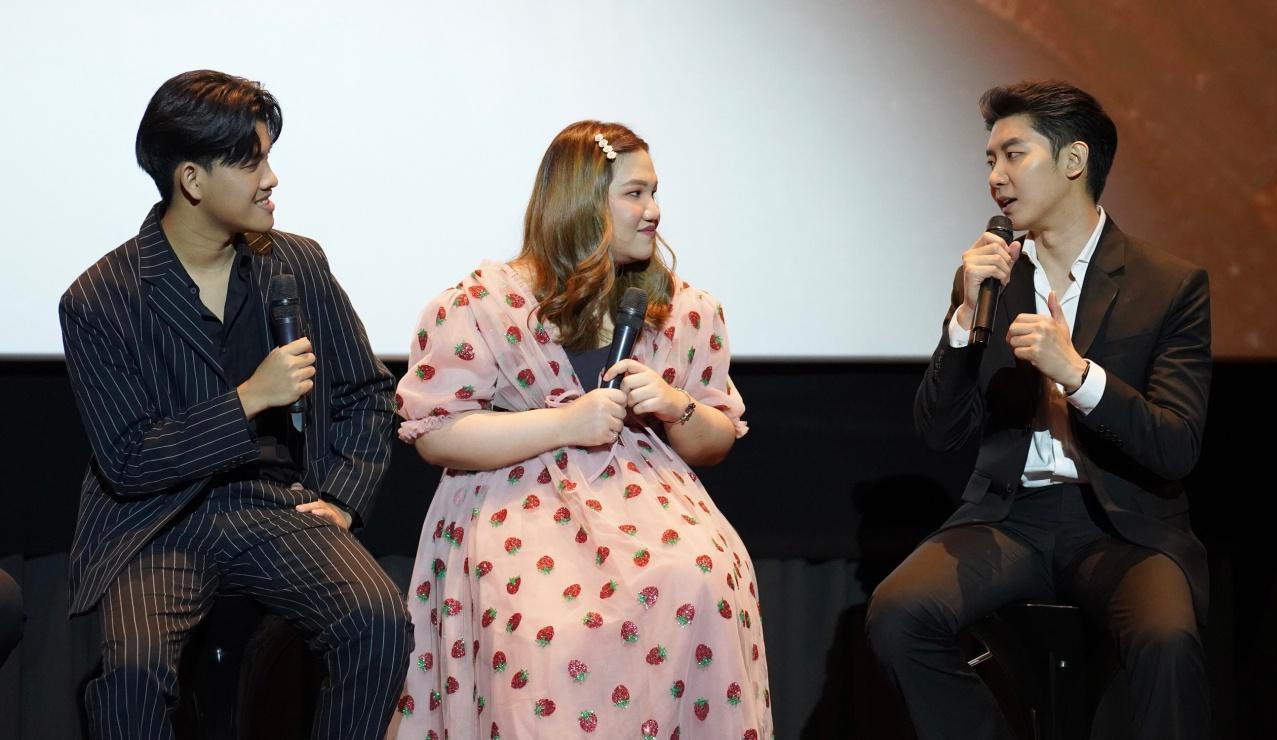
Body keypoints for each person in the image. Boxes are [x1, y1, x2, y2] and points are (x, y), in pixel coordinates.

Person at [388, 121, 772, 739]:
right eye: (635, 194)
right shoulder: (479, 306)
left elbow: (715, 443)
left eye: (654, 193)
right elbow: (437, 434)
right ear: (582, 202)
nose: (654, 211)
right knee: (546, 627)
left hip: (651, 509)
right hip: (518, 507)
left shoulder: (683, 310)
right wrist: (565, 422)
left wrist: (675, 406)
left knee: (704, 576)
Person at [58, 70, 411, 739]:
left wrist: (341, 498)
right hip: (156, 522)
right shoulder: (100, 297)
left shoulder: (297, 264)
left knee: (379, 620)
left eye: (268, 158)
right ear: (192, 179)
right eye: (251, 162)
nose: (271, 179)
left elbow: (367, 394)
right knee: (131, 675)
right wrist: (249, 397)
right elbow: (128, 459)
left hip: (273, 506)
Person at [866, 80, 1212, 739]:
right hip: (1009, 518)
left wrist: (1076, 374)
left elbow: (1176, 446)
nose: (995, 177)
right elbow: (940, 431)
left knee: (1167, 640)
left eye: (1013, 155)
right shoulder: (990, 277)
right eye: (989, 160)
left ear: (1074, 160)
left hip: (1122, 526)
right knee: (899, 613)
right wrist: (963, 325)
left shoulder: (1168, 285)